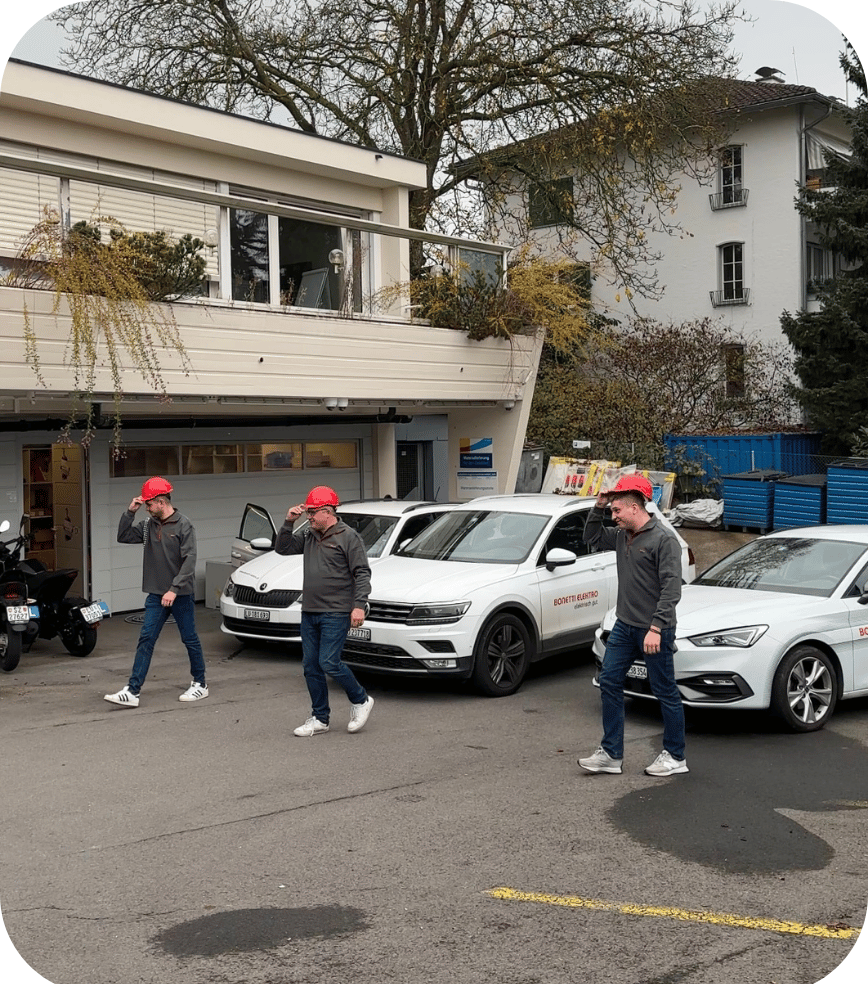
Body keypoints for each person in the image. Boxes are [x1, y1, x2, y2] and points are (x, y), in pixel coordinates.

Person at [578, 475, 688, 777]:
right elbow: (590, 536)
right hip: (625, 626)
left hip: (654, 629)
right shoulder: (620, 536)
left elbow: (671, 589)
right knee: (610, 682)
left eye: (616, 511)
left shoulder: (663, 540)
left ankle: (676, 756)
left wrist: (657, 627)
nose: (613, 516)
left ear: (634, 508)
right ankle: (611, 755)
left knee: (665, 690)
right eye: (611, 511)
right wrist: (597, 507)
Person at [276, 485, 375, 736]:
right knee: (311, 665)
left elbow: (362, 573)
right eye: (307, 513)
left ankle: (361, 699)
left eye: (312, 513)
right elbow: (283, 548)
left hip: (337, 611)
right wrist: (289, 521)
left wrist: (359, 606)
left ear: (327, 511)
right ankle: (320, 718)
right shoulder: (310, 534)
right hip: (310, 610)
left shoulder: (348, 536)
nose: (308, 517)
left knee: (329, 662)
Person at [104, 477, 208, 708]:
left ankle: (200, 684)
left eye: (149, 504)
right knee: (146, 639)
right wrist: (130, 512)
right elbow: (122, 536)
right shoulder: (147, 526)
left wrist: (174, 589)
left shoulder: (184, 525)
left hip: (179, 595)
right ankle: (132, 691)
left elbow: (189, 561)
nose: (147, 509)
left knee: (189, 639)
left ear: (161, 501)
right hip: (155, 594)